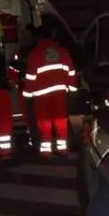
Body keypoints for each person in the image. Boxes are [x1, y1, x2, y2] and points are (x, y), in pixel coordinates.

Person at [23, 24, 78, 158]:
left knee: (44, 122)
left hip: (41, 95)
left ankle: (46, 151)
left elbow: (30, 77)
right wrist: (72, 90)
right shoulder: (62, 51)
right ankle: (62, 149)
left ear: (38, 38)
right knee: (60, 120)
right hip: (60, 93)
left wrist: (27, 94)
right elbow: (71, 72)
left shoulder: (34, 54)